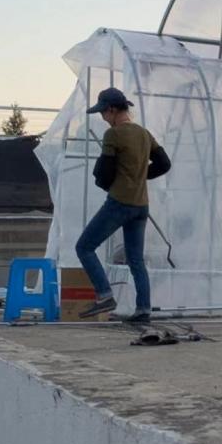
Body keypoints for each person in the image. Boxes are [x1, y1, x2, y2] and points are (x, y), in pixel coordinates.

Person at [77, 88, 171, 322]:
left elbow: (104, 171)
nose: (102, 118)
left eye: (103, 113)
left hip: (119, 202)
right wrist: (141, 176)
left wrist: (108, 181)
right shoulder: (144, 133)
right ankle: (143, 310)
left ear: (112, 110)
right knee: (136, 260)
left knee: (84, 247)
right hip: (141, 205)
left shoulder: (114, 134)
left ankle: (104, 295)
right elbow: (164, 163)